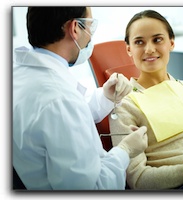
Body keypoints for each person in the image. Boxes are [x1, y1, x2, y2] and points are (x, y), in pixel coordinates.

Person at [13, 7, 148, 190]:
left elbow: (63, 120)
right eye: (90, 26)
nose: (90, 36)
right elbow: (92, 189)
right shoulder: (59, 99)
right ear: (75, 28)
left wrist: (105, 96)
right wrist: (125, 151)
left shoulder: (21, 74)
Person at [109, 10, 183, 190]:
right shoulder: (125, 105)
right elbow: (139, 180)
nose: (149, 49)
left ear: (171, 43)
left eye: (157, 39)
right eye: (139, 42)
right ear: (129, 49)